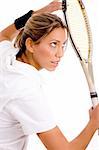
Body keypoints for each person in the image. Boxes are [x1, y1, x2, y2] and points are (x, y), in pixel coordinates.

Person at [0, 1, 99, 150]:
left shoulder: (7, 55)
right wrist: (94, 123)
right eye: (53, 44)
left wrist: (40, 12)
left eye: (63, 45)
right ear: (30, 44)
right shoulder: (25, 91)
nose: (60, 54)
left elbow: (4, 35)